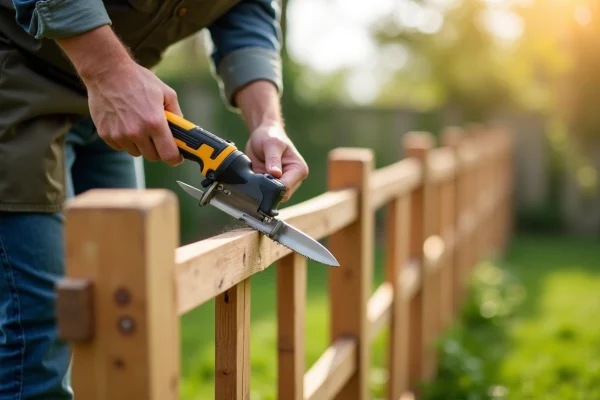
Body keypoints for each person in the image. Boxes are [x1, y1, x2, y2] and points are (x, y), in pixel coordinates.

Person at [0, 0, 309, 398]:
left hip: (121, 97)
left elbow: (246, 9)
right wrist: (107, 70)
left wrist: (266, 120)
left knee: (124, 309)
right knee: (40, 327)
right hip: (20, 79)